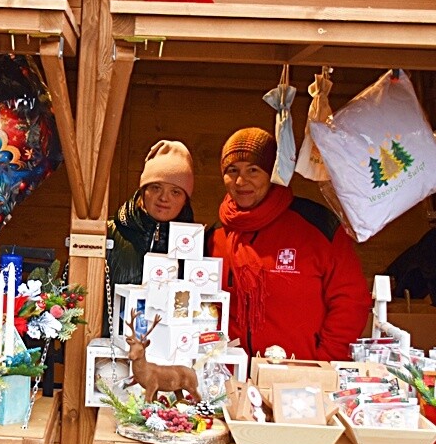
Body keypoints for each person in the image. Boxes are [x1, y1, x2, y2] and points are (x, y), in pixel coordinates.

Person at [208, 127, 370, 360]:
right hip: (229, 374)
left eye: (253, 170)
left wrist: (324, 362)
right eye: (232, 170)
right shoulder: (214, 237)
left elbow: (351, 301)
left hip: (301, 374)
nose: (241, 181)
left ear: (272, 173)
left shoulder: (317, 226)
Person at [104, 140, 195, 336]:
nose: (164, 198)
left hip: (172, 350)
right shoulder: (109, 233)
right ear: (143, 190)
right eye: (155, 187)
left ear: (185, 199)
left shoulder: (195, 247)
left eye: (175, 192)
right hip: (113, 349)